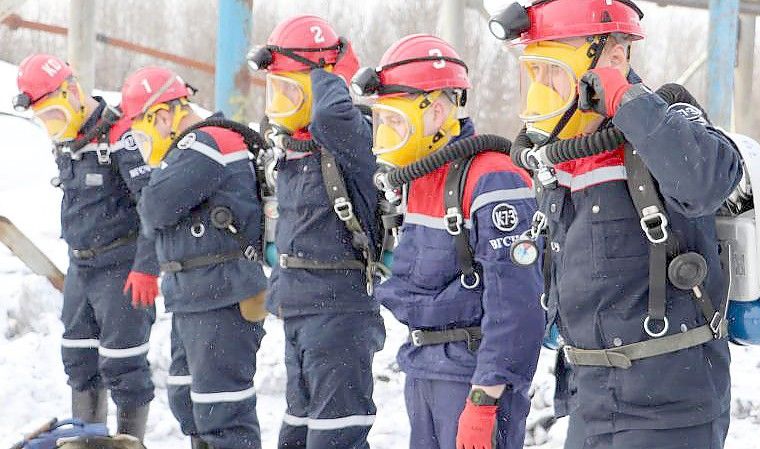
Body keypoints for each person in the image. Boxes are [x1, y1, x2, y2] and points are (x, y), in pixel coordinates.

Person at [487, 1, 742, 447]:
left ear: (614, 59)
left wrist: (626, 99)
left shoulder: (669, 120)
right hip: (590, 403)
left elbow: (707, 180)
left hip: (669, 410)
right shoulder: (565, 153)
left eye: (553, 71)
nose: (543, 87)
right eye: (535, 74)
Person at [361, 34, 546, 449]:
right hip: (424, 369)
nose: (387, 133)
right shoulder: (419, 178)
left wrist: (484, 401)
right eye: (383, 121)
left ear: (437, 111)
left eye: (396, 120)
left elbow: (517, 306)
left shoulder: (492, 177)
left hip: (470, 379)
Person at [248, 14, 386, 449]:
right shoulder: (295, 148)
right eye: (277, 90)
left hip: (339, 312)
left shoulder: (349, 137)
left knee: (334, 437)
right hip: (300, 306)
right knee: (298, 431)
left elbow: (330, 114)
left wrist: (329, 72)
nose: (281, 103)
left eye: (292, 89)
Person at [119, 66, 268, 449]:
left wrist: (151, 178)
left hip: (221, 294)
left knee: (222, 413)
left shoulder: (204, 144)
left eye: (141, 130)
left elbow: (154, 207)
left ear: (164, 116)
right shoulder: (195, 146)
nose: (141, 142)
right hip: (197, 294)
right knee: (190, 402)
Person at [14, 54, 158, 440]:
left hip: (122, 267)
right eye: (45, 120)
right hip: (82, 266)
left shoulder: (121, 137)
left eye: (56, 115)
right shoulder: (67, 142)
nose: (53, 127)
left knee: (123, 365)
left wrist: (147, 266)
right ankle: (90, 441)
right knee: (79, 359)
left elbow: (153, 207)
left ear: (72, 91)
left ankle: (131, 442)